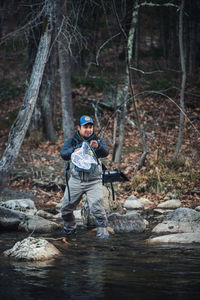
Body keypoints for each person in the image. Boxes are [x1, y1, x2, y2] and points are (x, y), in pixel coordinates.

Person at [60, 115, 109, 239]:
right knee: (65, 208)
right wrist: (74, 150)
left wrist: (98, 146)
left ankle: (103, 234)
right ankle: (69, 229)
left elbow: (105, 152)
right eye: (85, 127)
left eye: (90, 127)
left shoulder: (97, 141)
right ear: (79, 128)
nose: (88, 130)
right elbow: (63, 154)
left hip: (94, 181)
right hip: (76, 180)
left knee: (98, 210)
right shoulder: (72, 141)